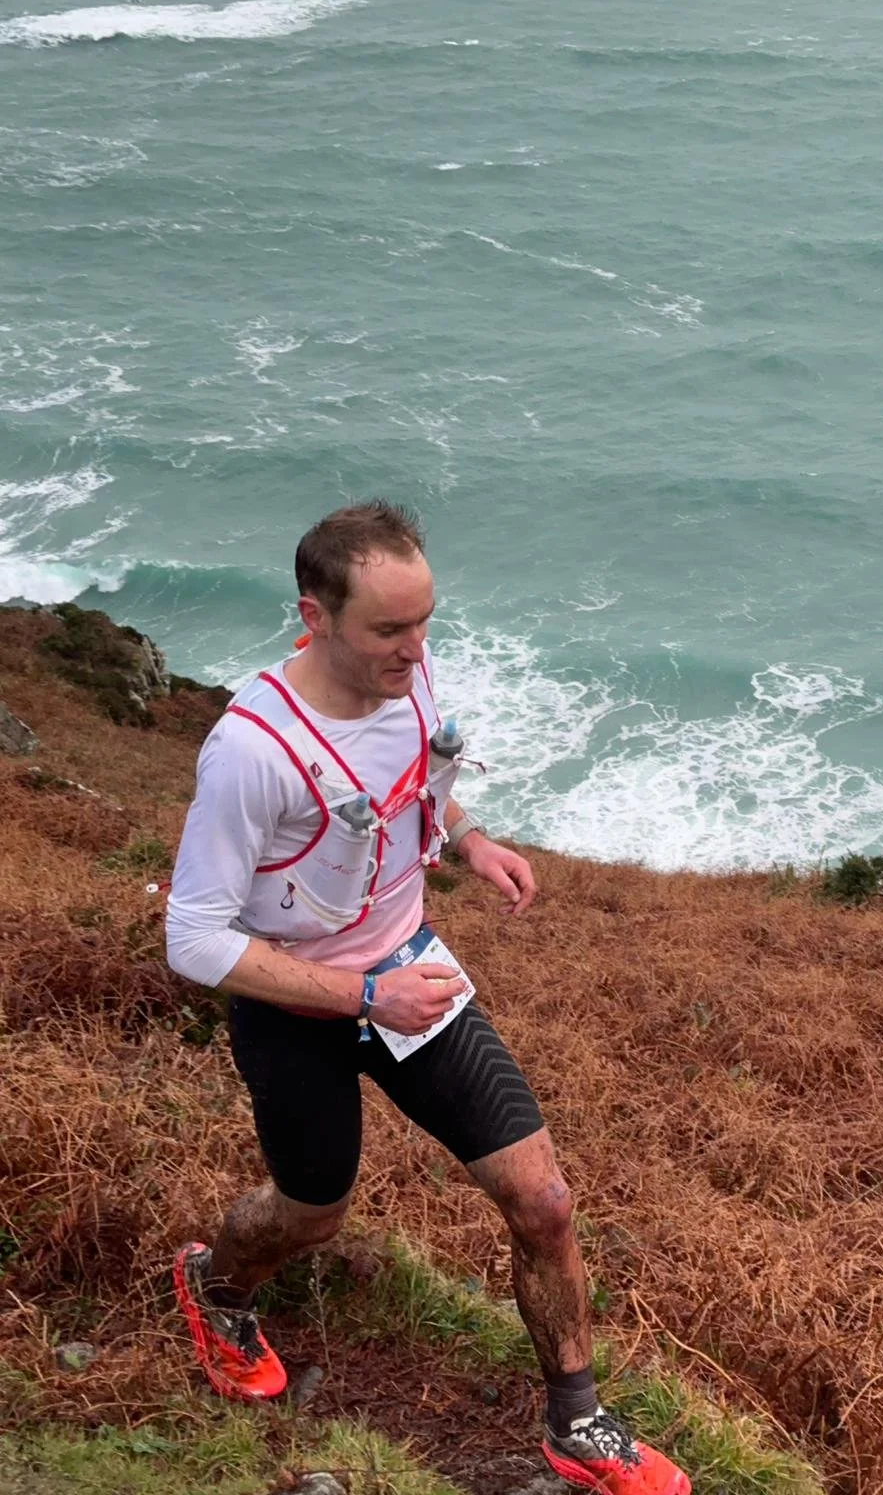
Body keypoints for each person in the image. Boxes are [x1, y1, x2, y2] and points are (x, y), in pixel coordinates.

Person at [165, 500, 690, 1495]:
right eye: (390, 630)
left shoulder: (405, 680)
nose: (416, 650)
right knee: (311, 1214)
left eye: (425, 623)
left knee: (542, 1199)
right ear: (313, 617)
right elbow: (192, 937)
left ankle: (577, 1421)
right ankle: (215, 1283)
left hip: (412, 972)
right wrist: (365, 992)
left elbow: (417, 782)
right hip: (298, 1006)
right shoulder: (251, 751)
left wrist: (471, 842)